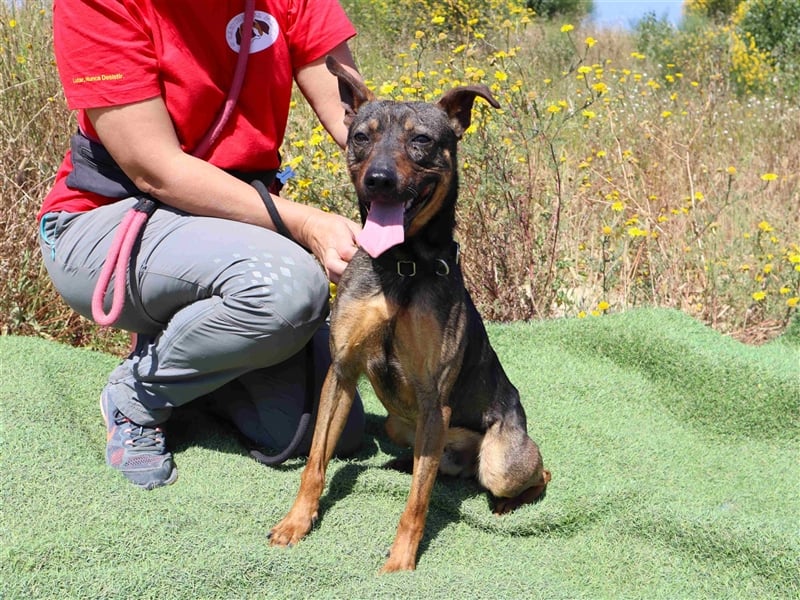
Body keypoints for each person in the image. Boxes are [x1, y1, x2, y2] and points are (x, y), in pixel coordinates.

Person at [37, 0, 366, 490]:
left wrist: (404, 178)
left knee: (335, 431)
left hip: (237, 232)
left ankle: (200, 358)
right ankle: (136, 393)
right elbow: (157, 171)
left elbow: (355, 121)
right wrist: (308, 224)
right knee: (288, 289)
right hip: (106, 223)